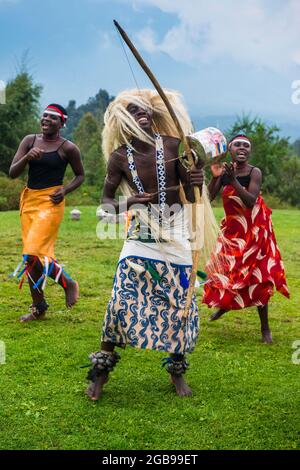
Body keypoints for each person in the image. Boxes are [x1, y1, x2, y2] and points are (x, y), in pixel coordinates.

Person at [86, 88, 209, 400]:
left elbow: (192, 192)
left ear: (154, 115)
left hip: (177, 230)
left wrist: (197, 179)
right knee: (119, 299)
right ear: (125, 118)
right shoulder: (118, 158)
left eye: (145, 110)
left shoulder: (173, 146)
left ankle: (176, 372)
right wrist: (128, 203)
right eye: (134, 110)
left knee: (181, 301)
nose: (141, 114)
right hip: (140, 233)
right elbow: (105, 205)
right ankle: (99, 374)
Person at [203, 133, 290, 343]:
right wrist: (216, 176)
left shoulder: (254, 172)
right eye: (237, 145)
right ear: (230, 150)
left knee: (257, 277)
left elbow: (251, 201)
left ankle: (265, 329)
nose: (242, 148)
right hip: (232, 232)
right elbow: (209, 197)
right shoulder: (225, 172)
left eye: (246, 145)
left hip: (255, 231)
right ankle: (225, 305)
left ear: (249, 151)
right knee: (224, 270)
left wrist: (232, 180)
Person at [9, 103, 84, 322]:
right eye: (44, 116)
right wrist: (27, 158)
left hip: (51, 202)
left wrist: (65, 190)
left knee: (32, 252)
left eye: (52, 118)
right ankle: (39, 307)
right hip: (29, 201)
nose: (46, 120)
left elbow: (80, 175)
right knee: (32, 256)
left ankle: (68, 283)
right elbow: (13, 172)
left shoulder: (68, 148)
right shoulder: (29, 141)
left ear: (62, 123)